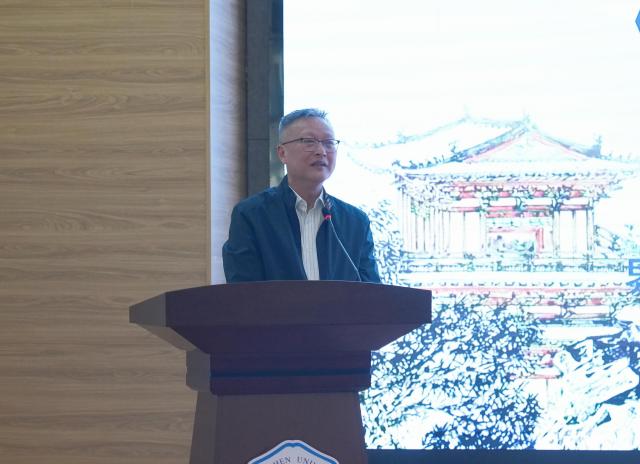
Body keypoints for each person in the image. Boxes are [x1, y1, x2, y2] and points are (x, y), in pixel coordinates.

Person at [222, 108, 381, 283]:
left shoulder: (355, 222)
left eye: (329, 143)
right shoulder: (252, 215)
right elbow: (242, 291)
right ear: (282, 153)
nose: (321, 151)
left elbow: (372, 293)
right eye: (308, 141)